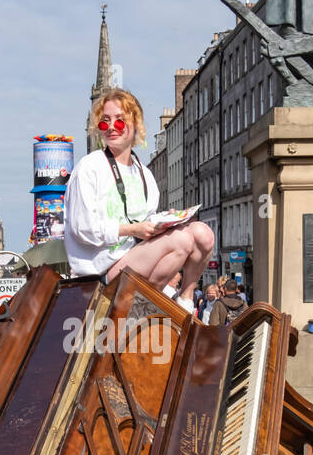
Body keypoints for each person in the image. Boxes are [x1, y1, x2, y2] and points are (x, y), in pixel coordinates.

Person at [64, 89, 214, 315]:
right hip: (102, 273)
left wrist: (167, 221)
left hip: (136, 257)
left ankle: (185, 298)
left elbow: (145, 225)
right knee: (182, 241)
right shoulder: (89, 167)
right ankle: (141, 309)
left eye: (120, 121)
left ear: (135, 124)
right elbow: (82, 227)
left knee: (203, 233)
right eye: (104, 123)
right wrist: (132, 229)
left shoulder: (144, 174)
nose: (112, 127)